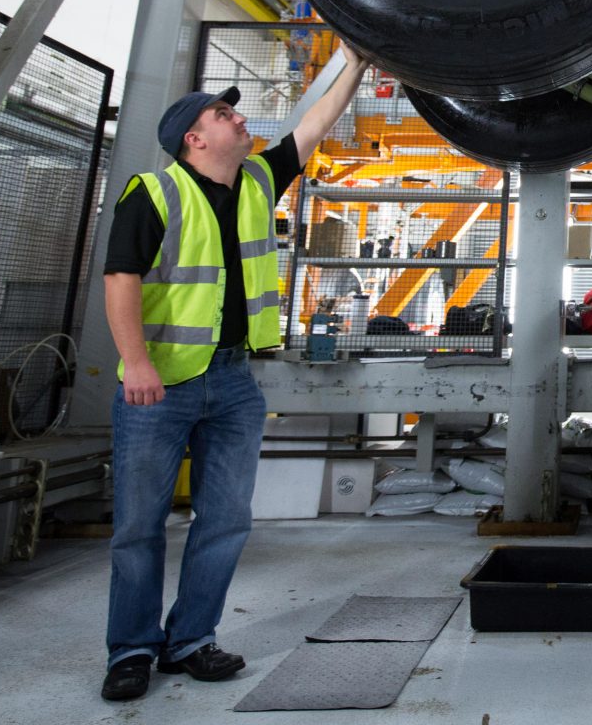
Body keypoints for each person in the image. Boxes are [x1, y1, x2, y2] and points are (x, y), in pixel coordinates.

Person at [99, 45, 368, 702]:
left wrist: (358, 62)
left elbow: (313, 126)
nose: (240, 121)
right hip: (158, 384)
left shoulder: (255, 183)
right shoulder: (154, 192)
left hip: (234, 383)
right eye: (224, 115)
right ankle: (131, 649)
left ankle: (191, 641)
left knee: (224, 519)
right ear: (194, 138)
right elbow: (120, 279)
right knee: (139, 525)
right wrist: (135, 361)